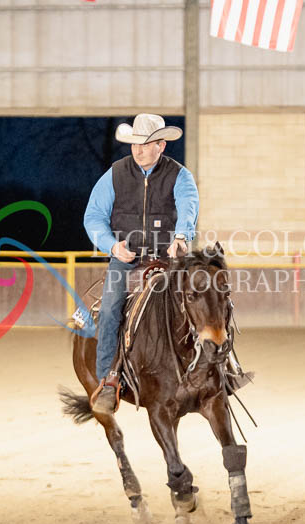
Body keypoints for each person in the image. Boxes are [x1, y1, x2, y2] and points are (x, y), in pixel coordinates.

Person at [83, 114, 199, 415]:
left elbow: (188, 208)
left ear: (161, 145)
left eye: (146, 144)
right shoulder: (115, 174)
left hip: (168, 258)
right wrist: (112, 246)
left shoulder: (180, 176)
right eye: (135, 144)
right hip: (128, 258)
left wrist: (181, 237)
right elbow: (93, 216)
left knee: (203, 300)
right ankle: (108, 380)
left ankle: (220, 369)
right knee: (109, 309)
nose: (138, 150)